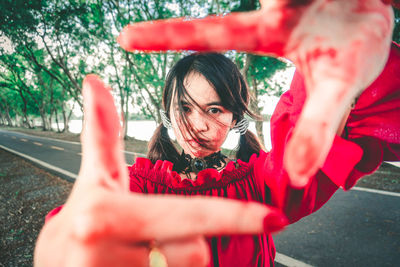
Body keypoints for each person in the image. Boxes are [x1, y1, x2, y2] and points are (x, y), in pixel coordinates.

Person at [38, 47, 400, 266]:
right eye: (185, 107)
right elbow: (78, 236)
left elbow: (307, 152)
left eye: (214, 109)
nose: (198, 126)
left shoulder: (259, 184)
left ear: (234, 118)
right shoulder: (129, 189)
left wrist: (337, 65)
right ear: (166, 111)